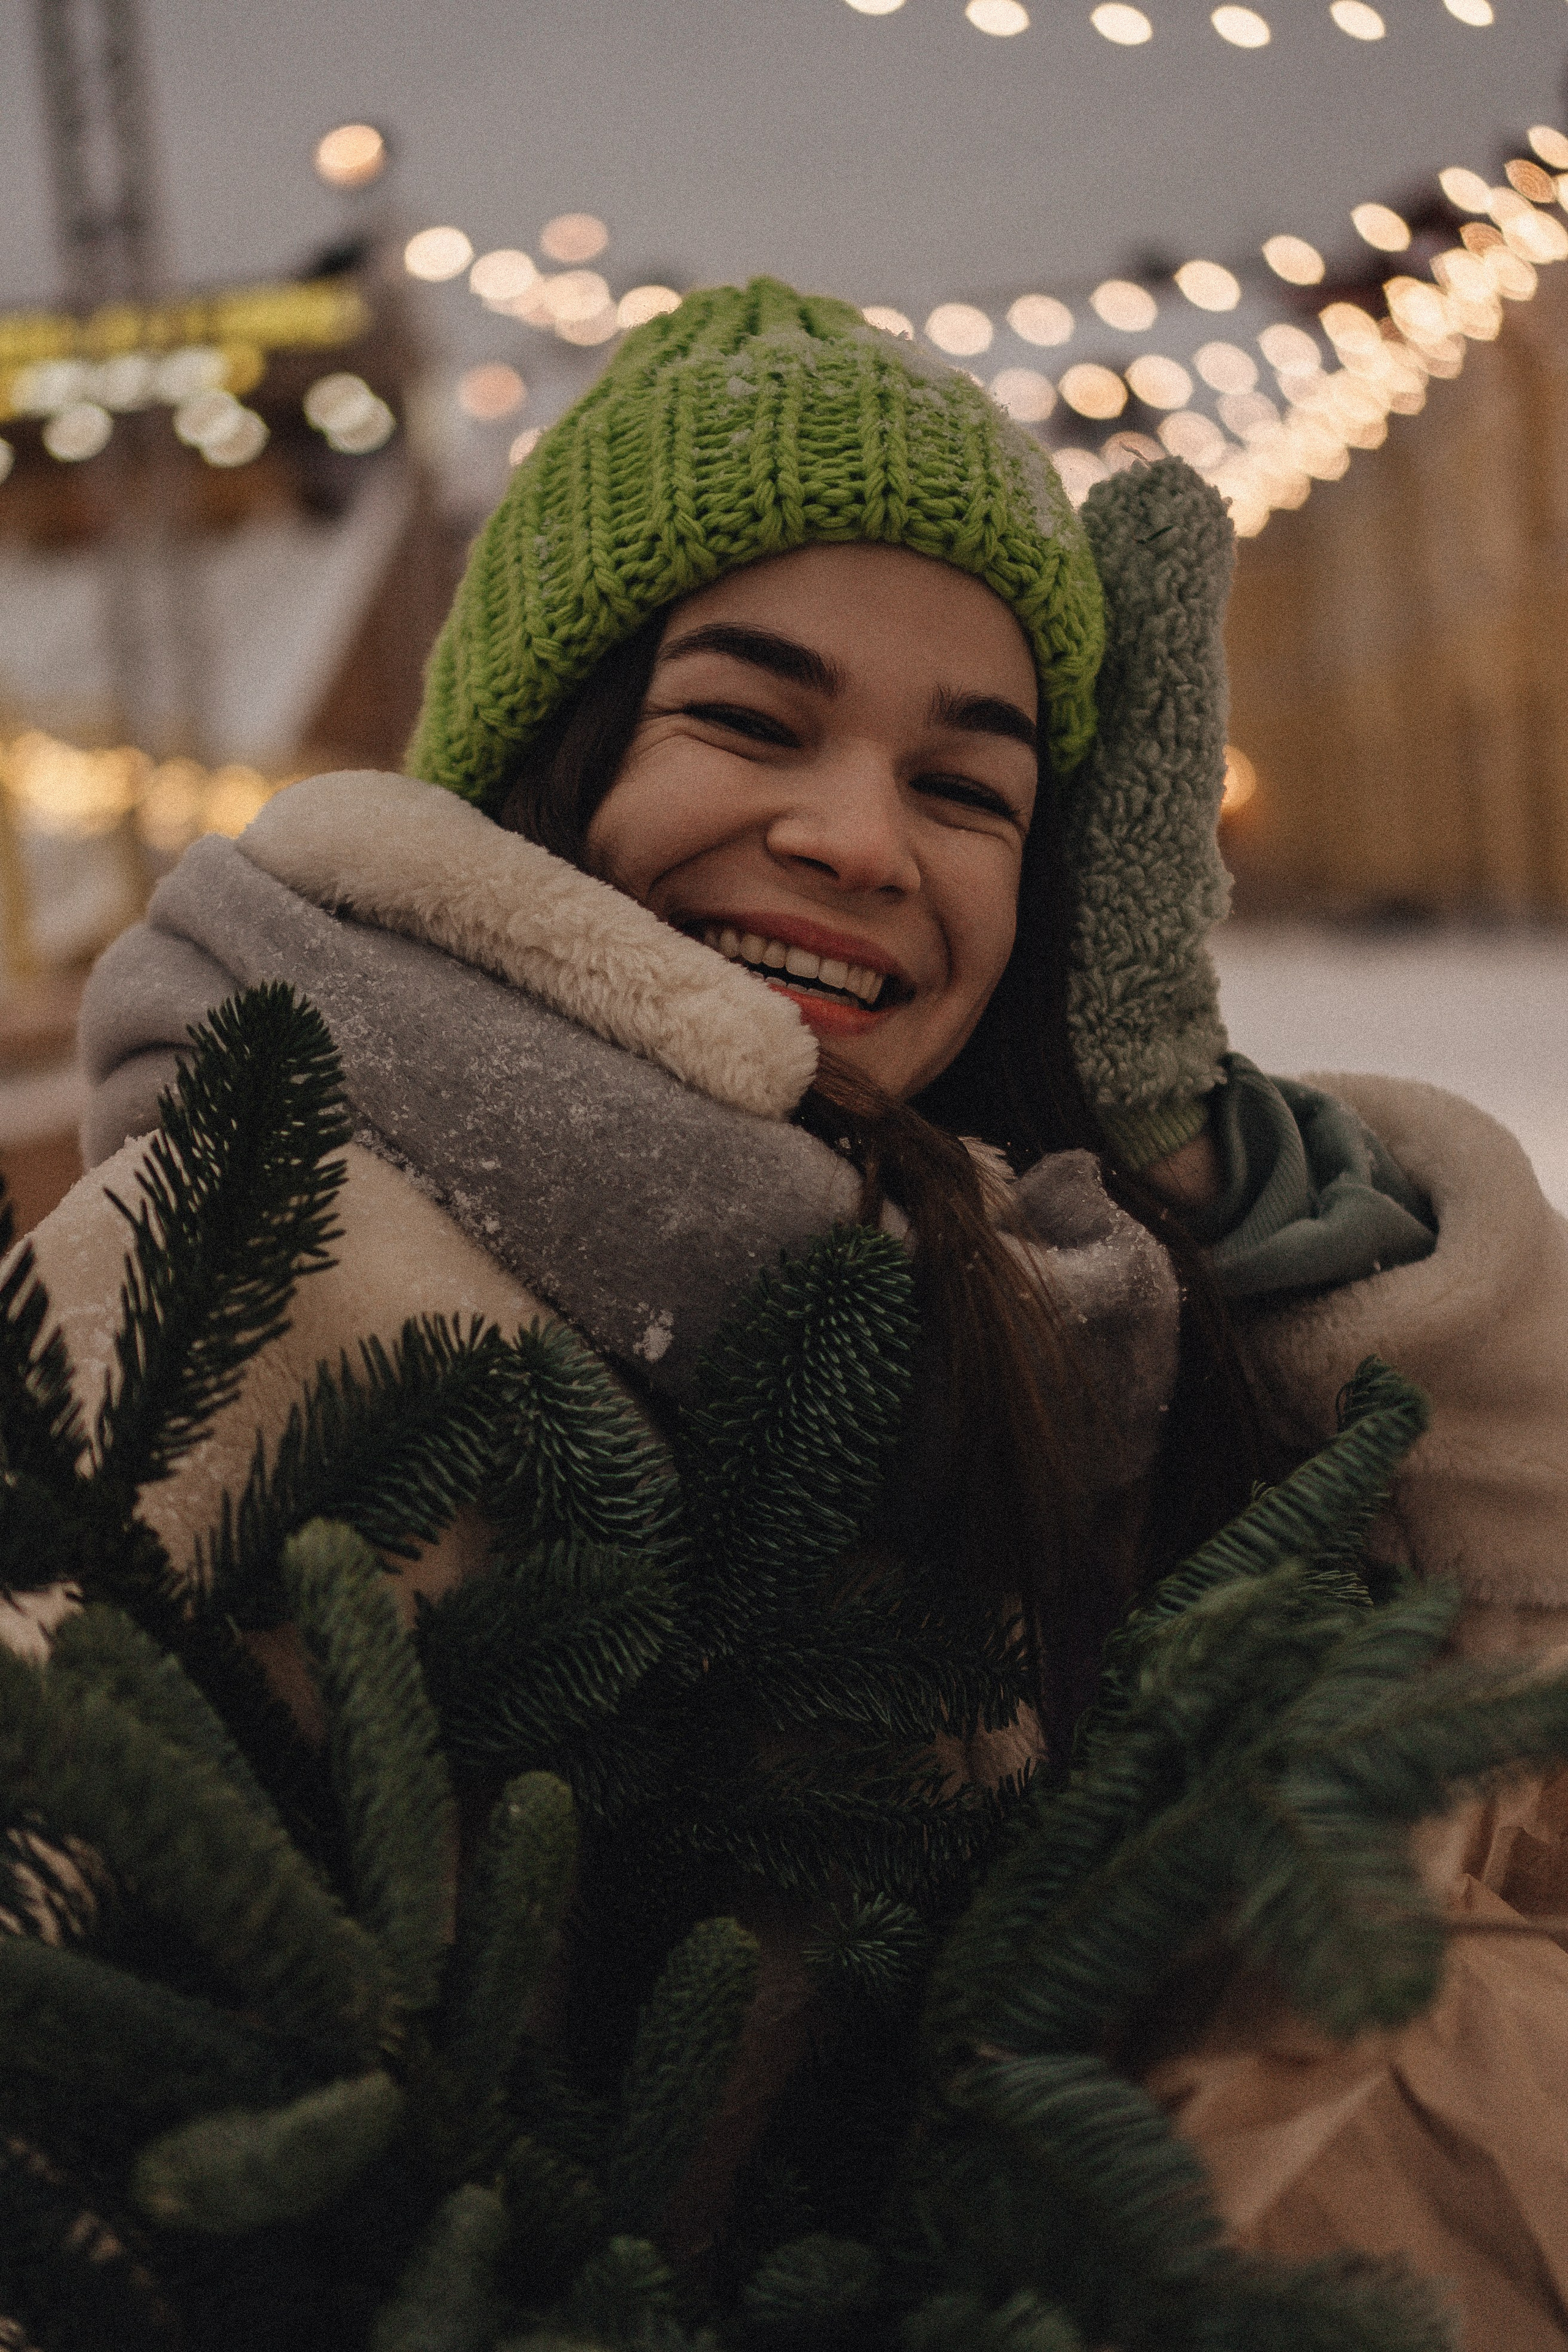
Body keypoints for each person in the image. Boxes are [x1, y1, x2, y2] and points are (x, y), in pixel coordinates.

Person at [17, 277, 1568, 2342]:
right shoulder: (254, 1261)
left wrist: (1194, 1152)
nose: (852, 838)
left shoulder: (1025, 1289)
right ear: (542, 764)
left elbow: (1500, 1698)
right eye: (749, 719)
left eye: (970, 788)